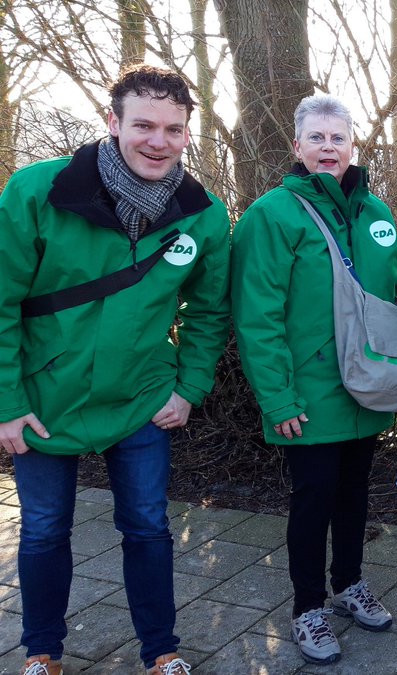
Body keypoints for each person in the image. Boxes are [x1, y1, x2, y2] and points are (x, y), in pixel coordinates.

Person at [0, 64, 230, 675]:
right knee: (44, 530)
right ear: (113, 123)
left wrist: (189, 388)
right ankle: (42, 654)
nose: (158, 141)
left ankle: (162, 652)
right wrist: (6, 403)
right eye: (144, 125)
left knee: (149, 527)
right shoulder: (36, 191)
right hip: (45, 400)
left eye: (173, 129)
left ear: (187, 133)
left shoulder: (204, 215)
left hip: (141, 398)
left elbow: (209, 313)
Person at [231, 94, 397, 665]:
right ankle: (308, 607)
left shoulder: (376, 213)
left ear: (353, 146)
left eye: (338, 138)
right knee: (312, 500)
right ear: (298, 146)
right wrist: (278, 397)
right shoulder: (272, 215)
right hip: (307, 393)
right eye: (317, 138)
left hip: (369, 387)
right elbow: (257, 316)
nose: (328, 148)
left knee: (355, 493)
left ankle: (349, 583)